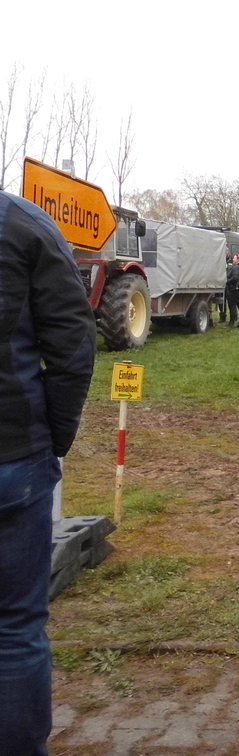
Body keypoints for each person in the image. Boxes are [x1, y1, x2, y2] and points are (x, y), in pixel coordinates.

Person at [0, 191, 96, 756]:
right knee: (13, 628)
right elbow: (72, 345)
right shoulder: (24, 224)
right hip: (13, 459)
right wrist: (51, 442)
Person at [225, 254, 239, 329]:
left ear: (238, 260)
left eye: (234, 258)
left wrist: (227, 282)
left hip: (237, 289)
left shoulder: (236, 268)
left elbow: (235, 278)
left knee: (232, 305)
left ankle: (231, 323)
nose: (233, 259)